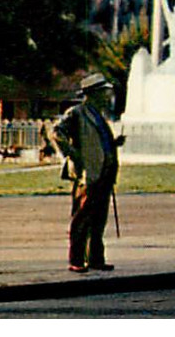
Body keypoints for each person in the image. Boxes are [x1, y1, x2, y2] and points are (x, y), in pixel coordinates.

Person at [50, 73, 121, 274]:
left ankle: (96, 259)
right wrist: (73, 155)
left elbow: (96, 141)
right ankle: (77, 259)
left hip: (104, 173)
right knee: (82, 219)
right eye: (103, 92)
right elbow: (56, 133)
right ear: (92, 94)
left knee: (99, 220)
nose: (107, 96)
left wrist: (114, 144)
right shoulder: (77, 113)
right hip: (87, 174)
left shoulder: (99, 115)